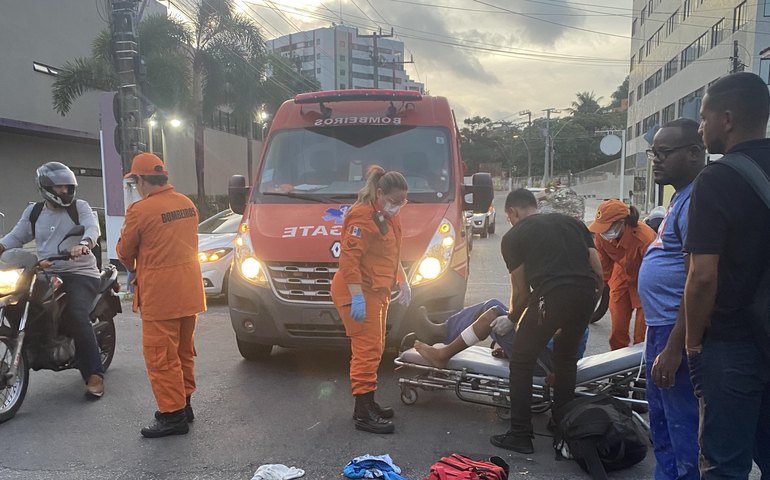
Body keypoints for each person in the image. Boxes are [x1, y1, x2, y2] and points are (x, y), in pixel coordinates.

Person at [684, 72, 770, 478]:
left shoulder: (717, 178)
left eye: (704, 117)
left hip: (734, 344)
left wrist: (692, 344)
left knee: (724, 464)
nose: (701, 128)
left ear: (728, 119)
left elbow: (703, 276)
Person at [489, 188, 603, 454]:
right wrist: (588, 306)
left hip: (551, 296)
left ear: (512, 212)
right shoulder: (574, 224)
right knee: (565, 361)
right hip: (585, 295)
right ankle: (562, 425)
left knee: (521, 361)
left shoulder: (514, 236)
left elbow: (520, 291)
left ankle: (520, 434)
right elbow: (597, 270)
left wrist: (513, 318)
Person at [116, 153, 206, 439]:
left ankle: (172, 416)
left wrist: (133, 268)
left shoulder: (140, 210)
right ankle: (184, 404)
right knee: (182, 353)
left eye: (135, 181)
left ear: (141, 179)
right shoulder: (187, 204)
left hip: (161, 297)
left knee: (161, 358)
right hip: (189, 292)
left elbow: (124, 252)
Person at [0, 162, 105, 398]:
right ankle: (36, 344)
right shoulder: (34, 212)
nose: (65, 192)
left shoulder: (80, 207)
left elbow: (92, 229)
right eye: (60, 188)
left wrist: (84, 244)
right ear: (46, 188)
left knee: (77, 315)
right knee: (15, 302)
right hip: (46, 271)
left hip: (79, 272)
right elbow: (16, 236)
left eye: (68, 187)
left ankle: (94, 374)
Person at [637, 118, 703, 480]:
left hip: (674, 331)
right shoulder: (680, 197)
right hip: (659, 327)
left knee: (682, 429)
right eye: (653, 153)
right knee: (661, 424)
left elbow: (700, 278)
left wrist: (676, 347)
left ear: (694, 153)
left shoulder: (697, 200)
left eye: (664, 153)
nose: (656, 161)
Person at [331, 165, 411, 435]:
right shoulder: (362, 217)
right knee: (366, 351)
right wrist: (357, 298)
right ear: (379, 193)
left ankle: (368, 403)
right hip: (358, 291)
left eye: (403, 201)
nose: (399, 206)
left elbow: (391, 252)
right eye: (395, 201)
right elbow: (349, 261)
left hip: (377, 290)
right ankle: (363, 412)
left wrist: (402, 279)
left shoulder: (388, 216)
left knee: (376, 348)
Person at [411, 302, 589, 375]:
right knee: (492, 305)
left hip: (546, 365)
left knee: (492, 316)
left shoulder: (570, 306)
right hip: (539, 351)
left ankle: (442, 354)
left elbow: (564, 355)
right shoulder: (564, 292)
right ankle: (442, 332)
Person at [589, 199, 656, 350]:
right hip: (621, 276)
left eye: (608, 227)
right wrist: (593, 293)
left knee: (642, 334)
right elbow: (603, 270)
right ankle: (617, 365)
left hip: (646, 279)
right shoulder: (602, 236)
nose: (604, 232)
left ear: (622, 222)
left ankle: (641, 368)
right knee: (617, 331)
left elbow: (655, 272)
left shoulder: (645, 238)